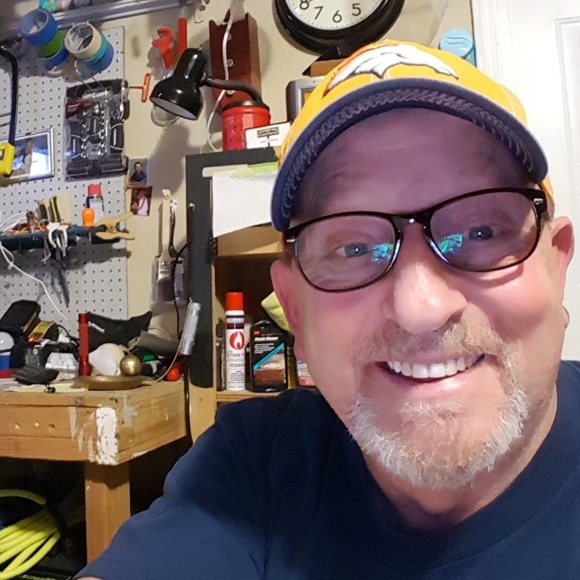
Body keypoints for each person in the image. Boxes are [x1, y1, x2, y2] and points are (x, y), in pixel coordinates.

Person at [76, 39, 579, 580]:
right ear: (294, 308)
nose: (421, 309)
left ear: (557, 262)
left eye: (481, 232)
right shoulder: (257, 464)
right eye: (354, 249)